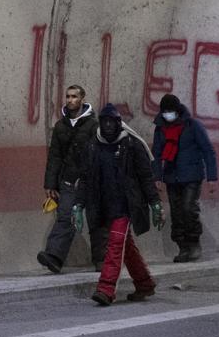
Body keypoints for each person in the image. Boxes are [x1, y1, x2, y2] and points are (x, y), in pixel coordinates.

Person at [82, 105, 160, 306]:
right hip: (104, 205)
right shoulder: (93, 145)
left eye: (111, 122)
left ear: (118, 123)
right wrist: (78, 204)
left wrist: (155, 203)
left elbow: (145, 177)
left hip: (125, 205)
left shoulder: (132, 145)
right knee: (126, 246)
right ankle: (144, 284)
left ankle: (106, 289)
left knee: (115, 244)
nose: (108, 126)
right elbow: (87, 178)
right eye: (104, 122)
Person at [149, 92, 218, 262]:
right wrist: (157, 176)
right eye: (165, 111)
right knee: (177, 213)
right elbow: (156, 154)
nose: (167, 114)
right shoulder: (161, 129)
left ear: (177, 110)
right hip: (172, 176)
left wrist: (212, 176)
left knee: (189, 208)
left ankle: (194, 244)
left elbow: (208, 150)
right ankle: (182, 247)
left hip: (192, 175)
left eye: (170, 111)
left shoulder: (193, 126)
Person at [36, 85, 96, 274]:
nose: (70, 100)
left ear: (83, 98)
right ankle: (54, 257)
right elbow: (54, 156)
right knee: (65, 217)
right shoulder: (61, 126)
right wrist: (50, 184)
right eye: (68, 96)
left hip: (91, 180)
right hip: (69, 181)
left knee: (97, 220)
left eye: (74, 97)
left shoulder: (94, 124)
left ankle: (102, 259)